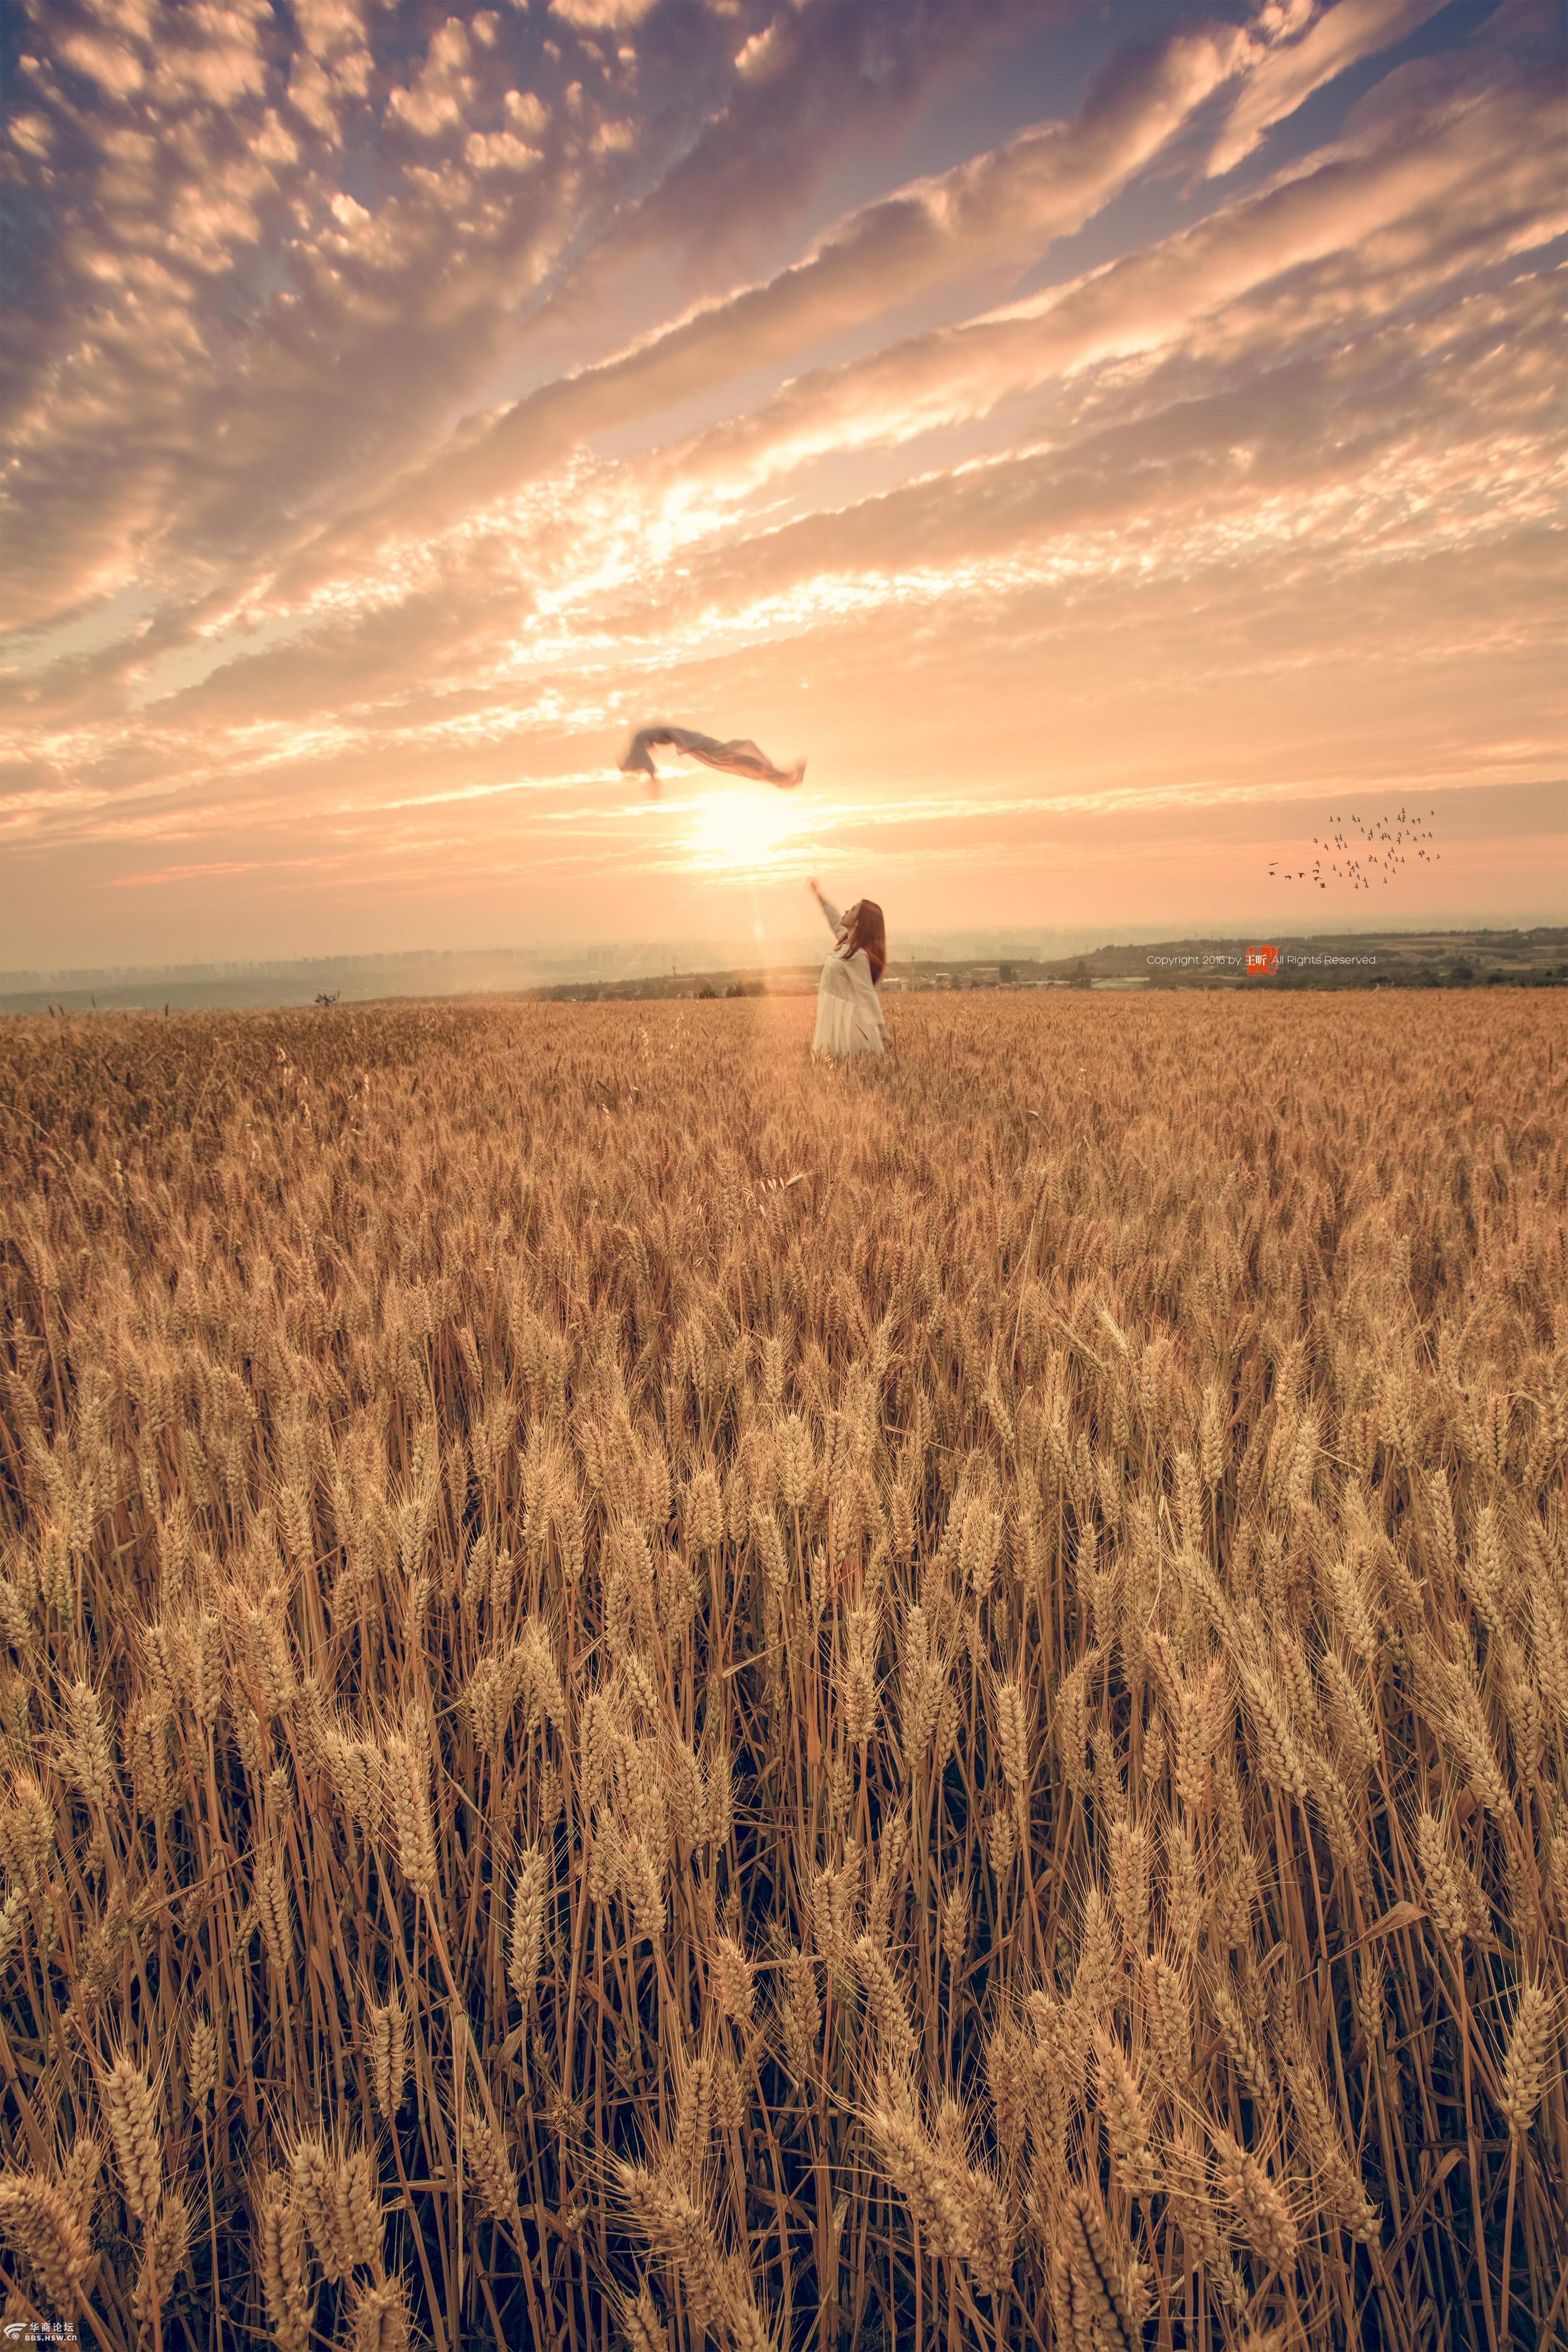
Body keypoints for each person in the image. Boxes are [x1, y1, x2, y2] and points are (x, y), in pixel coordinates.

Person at [808, 880, 889, 1058]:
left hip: (847, 1023)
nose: (846, 911)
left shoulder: (858, 955)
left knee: (848, 1062)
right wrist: (817, 893)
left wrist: (882, 1030)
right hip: (831, 1016)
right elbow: (832, 915)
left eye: (852, 910)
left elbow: (867, 993)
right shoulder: (844, 940)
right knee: (831, 1064)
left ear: (859, 922)